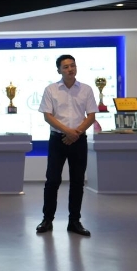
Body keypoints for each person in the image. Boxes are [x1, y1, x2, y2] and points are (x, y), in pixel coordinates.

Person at [36, 54, 97, 237]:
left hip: (79, 141)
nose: (70, 69)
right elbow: (48, 116)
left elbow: (91, 116)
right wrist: (67, 132)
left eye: (73, 65)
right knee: (52, 181)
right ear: (59, 70)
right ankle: (47, 220)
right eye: (66, 67)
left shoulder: (86, 89)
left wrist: (75, 133)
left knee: (77, 182)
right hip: (58, 140)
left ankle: (74, 221)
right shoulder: (51, 89)